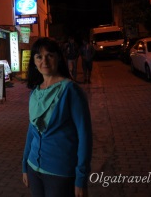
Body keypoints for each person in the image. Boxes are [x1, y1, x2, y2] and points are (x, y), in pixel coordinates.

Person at [22, 37, 93, 197]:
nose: (44, 61)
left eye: (50, 55)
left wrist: (81, 178)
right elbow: (31, 132)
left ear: (59, 58)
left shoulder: (71, 91)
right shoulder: (35, 92)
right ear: (33, 61)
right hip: (34, 168)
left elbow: (85, 136)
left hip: (60, 173)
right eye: (39, 57)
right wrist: (25, 165)